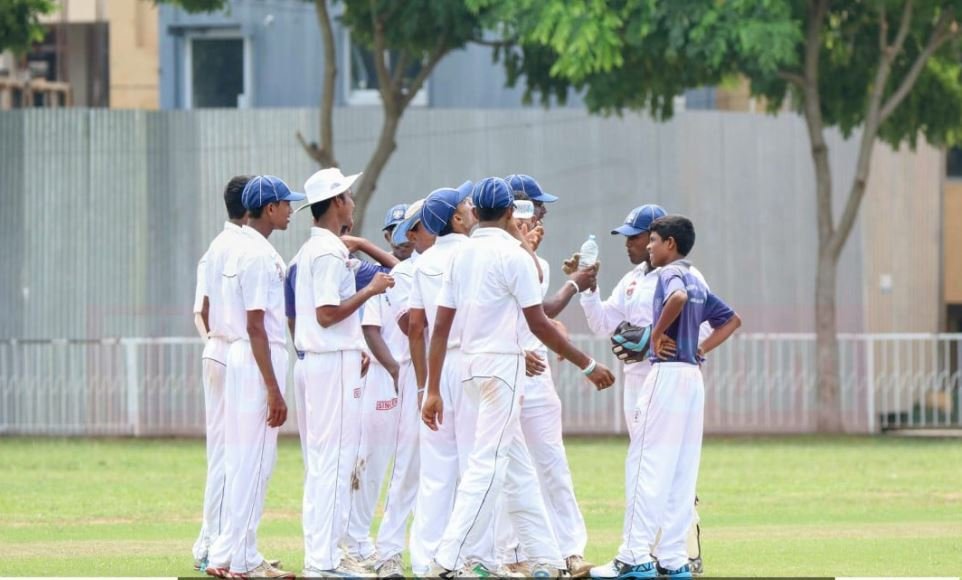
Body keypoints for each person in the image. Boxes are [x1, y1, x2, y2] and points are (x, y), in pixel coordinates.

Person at [422, 177, 616, 578]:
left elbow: (440, 328)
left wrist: (432, 388)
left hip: (470, 370)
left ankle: (545, 558)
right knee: (487, 464)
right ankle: (448, 558)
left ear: (475, 212)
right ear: (511, 212)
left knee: (517, 465)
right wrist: (587, 364)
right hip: (503, 369)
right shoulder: (513, 256)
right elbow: (540, 324)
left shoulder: (460, 255)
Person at [595, 215, 741, 580]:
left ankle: (632, 556)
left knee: (645, 463)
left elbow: (675, 297)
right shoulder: (695, 276)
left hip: (666, 374)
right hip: (691, 379)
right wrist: (700, 349)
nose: (648, 246)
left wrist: (655, 335)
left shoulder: (670, 275)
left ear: (670, 244)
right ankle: (674, 559)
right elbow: (732, 319)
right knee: (680, 471)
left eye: (654, 240)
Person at [292, 168, 395, 577]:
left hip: (331, 360)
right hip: (331, 360)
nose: (352, 201)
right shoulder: (327, 253)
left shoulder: (317, 249)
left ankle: (324, 555)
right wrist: (369, 291)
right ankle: (324, 560)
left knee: (326, 462)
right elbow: (327, 314)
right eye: (348, 195)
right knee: (334, 463)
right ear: (336, 202)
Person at [204, 175, 304, 579]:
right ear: (268, 209)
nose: (290, 210)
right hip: (257, 356)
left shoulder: (231, 248)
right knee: (256, 461)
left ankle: (226, 554)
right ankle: (243, 561)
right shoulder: (259, 255)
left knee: (242, 459)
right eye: (285, 204)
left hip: (237, 356)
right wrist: (274, 389)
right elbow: (257, 326)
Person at [495, 177, 595, 578]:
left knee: (551, 462)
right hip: (503, 370)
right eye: (537, 206)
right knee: (504, 467)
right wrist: (574, 285)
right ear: (516, 208)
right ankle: (511, 553)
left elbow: (538, 314)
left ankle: (570, 550)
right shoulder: (493, 254)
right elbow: (501, 318)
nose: (542, 214)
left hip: (534, 379)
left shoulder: (536, 261)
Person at [404, 183, 478, 577]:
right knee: (474, 463)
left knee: (436, 470)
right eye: (465, 204)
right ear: (456, 217)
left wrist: (424, 386)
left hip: (438, 366)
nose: (471, 206)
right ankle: (465, 557)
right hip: (470, 361)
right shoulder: (474, 253)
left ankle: (425, 560)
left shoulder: (423, 262)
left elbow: (417, 329)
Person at [342, 203, 419, 577]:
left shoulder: (415, 273)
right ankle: (356, 541)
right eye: (396, 231)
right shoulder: (381, 278)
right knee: (372, 462)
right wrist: (392, 369)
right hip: (384, 378)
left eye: (410, 229)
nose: (403, 238)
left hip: (411, 378)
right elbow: (370, 330)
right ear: (388, 236)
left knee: (407, 464)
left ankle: (379, 543)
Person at [191, 175, 254, 573]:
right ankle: (213, 544)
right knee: (233, 454)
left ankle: (212, 542)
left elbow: (201, 309)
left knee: (223, 453)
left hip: (217, 349)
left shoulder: (216, 247)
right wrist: (224, 344)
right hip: (232, 350)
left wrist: (212, 342)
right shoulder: (239, 248)